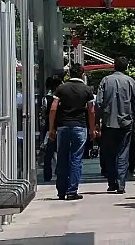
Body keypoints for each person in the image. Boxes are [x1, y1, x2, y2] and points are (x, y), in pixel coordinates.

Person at [48, 63, 96, 200]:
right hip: (80, 126)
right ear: (82, 74)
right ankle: (72, 191)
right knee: (76, 159)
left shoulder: (61, 89)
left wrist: (52, 128)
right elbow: (91, 110)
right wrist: (92, 129)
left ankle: (61, 191)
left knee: (62, 158)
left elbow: (53, 108)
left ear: (70, 73)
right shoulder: (87, 90)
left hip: (63, 127)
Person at [96, 56, 135, 194]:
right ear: (126, 67)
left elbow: (98, 103)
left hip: (108, 122)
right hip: (125, 122)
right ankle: (121, 183)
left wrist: (97, 122)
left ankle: (111, 183)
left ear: (114, 66)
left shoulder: (105, 80)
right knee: (123, 152)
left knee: (109, 153)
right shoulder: (130, 81)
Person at [41, 76, 63, 182]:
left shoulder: (47, 99)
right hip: (62, 126)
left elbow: (45, 114)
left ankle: (47, 174)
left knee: (48, 153)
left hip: (50, 128)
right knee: (60, 151)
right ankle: (60, 171)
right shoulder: (63, 98)